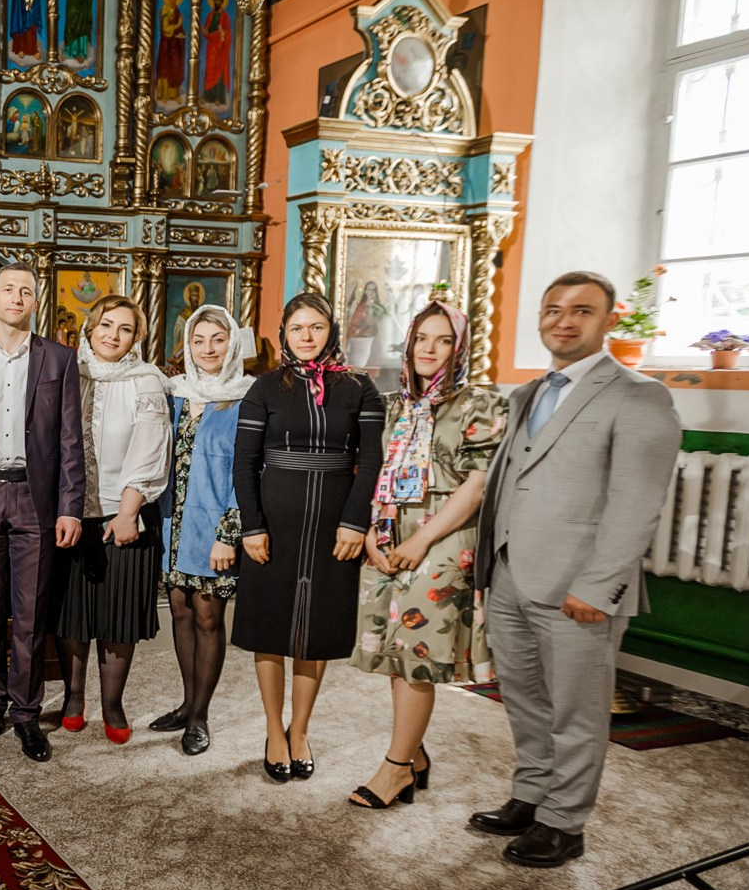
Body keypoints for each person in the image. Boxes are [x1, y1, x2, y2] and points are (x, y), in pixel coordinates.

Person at [471, 272, 680, 866]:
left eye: (582, 311)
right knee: (523, 698)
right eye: (553, 309)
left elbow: (637, 502)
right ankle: (532, 795)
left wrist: (599, 585)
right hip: (510, 574)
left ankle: (565, 822)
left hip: (579, 587)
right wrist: (488, 569)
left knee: (577, 709)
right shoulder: (526, 394)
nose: (564, 321)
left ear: (609, 320)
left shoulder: (640, 396)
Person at [348, 301, 507, 809]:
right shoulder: (391, 405)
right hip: (389, 529)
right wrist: (370, 532)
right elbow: (369, 470)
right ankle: (414, 754)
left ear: (459, 348)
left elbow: (476, 487)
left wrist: (421, 541)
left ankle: (395, 769)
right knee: (396, 652)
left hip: (443, 534)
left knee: (418, 651)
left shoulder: (482, 404)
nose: (430, 349)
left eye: (443, 340)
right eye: (422, 338)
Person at [234, 292, 385, 783]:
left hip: (334, 527)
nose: (306, 336)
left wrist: (355, 522)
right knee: (270, 626)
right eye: (297, 328)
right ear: (284, 333)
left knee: (314, 630)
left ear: (331, 332)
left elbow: (372, 462)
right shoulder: (263, 389)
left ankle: (299, 730)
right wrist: (252, 526)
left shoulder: (360, 389)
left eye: (316, 327)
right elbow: (244, 462)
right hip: (273, 524)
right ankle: (273, 730)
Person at [0, 264, 85, 763]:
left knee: (30, 614)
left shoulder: (59, 359)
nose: (16, 297)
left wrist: (71, 507)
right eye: (8, 289)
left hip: (36, 496)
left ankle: (26, 714)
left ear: (35, 302)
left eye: (26, 291)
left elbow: (71, 439)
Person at [50, 294, 171, 744]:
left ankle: (113, 703)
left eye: (125, 328)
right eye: (105, 325)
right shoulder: (68, 372)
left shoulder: (146, 381)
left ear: (136, 337)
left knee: (118, 616)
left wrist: (128, 511)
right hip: (70, 512)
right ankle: (73, 699)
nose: (113, 335)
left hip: (126, 514)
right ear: (90, 328)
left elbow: (151, 447)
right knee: (71, 611)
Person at [156, 305, 255, 756]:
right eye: (199, 340)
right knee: (179, 611)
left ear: (232, 343)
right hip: (171, 524)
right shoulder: (174, 394)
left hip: (213, 528)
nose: (208, 348)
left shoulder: (246, 399)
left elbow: (248, 472)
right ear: (187, 345)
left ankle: (200, 716)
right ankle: (186, 702)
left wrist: (229, 534)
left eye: (218, 339)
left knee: (208, 617)